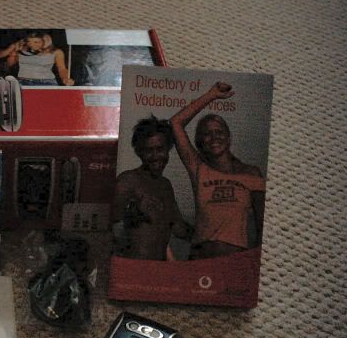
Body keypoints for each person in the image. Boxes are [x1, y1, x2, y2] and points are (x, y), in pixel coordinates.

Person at [170, 82, 266, 259]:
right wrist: (211, 95)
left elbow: (263, 226)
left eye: (219, 132)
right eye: (207, 134)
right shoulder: (199, 169)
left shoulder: (251, 173)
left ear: (228, 137)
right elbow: (176, 123)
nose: (214, 137)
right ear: (200, 143)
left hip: (233, 261)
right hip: (199, 259)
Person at [113, 116, 191, 260]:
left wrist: (211, 234)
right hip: (132, 267)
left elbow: (179, 228)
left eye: (160, 149)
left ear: (168, 149)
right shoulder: (128, 180)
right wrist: (133, 212)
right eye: (148, 150)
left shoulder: (166, 185)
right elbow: (107, 222)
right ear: (139, 152)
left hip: (158, 268)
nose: (155, 156)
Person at [5, 32, 74, 86]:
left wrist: (65, 78)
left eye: (36, 42)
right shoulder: (22, 49)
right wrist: (14, 52)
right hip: (23, 82)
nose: (31, 45)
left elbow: (62, 69)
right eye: (29, 42)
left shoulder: (56, 52)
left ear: (46, 42)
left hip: (47, 82)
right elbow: (10, 64)